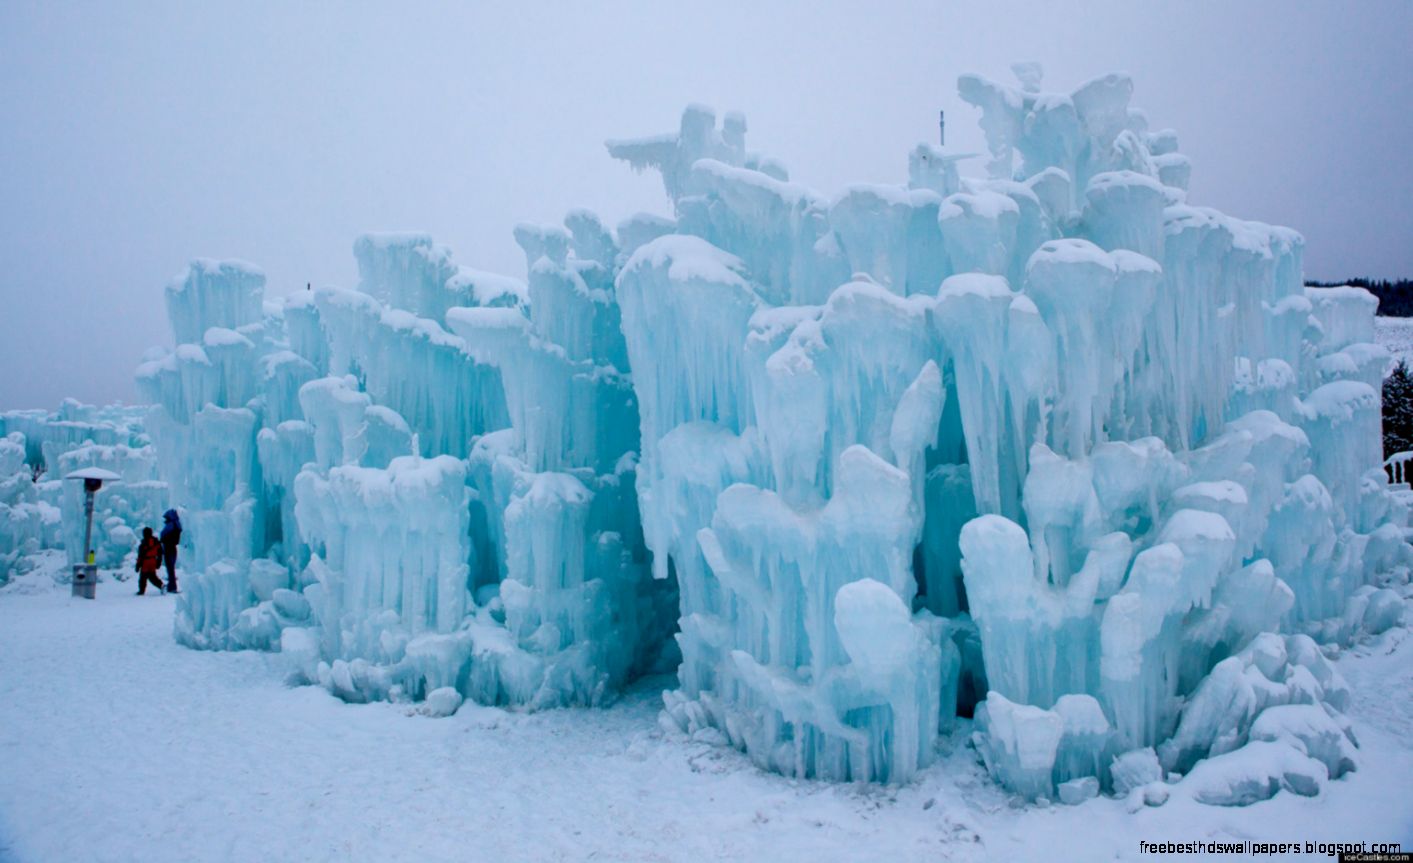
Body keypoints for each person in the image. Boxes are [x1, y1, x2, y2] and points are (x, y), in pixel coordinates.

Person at [135, 528, 165, 596]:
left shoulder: (143, 543)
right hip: (153, 561)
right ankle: (161, 585)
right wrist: (159, 562)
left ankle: (141, 591)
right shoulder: (156, 542)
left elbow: (141, 556)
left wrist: (138, 565)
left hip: (146, 562)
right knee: (152, 576)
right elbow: (160, 553)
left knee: (143, 577)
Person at [160, 509, 182, 594]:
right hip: (172, 548)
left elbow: (163, 535)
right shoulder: (177, 525)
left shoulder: (171, 525)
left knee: (170, 567)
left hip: (169, 548)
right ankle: (172, 585)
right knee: (171, 567)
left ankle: (172, 586)